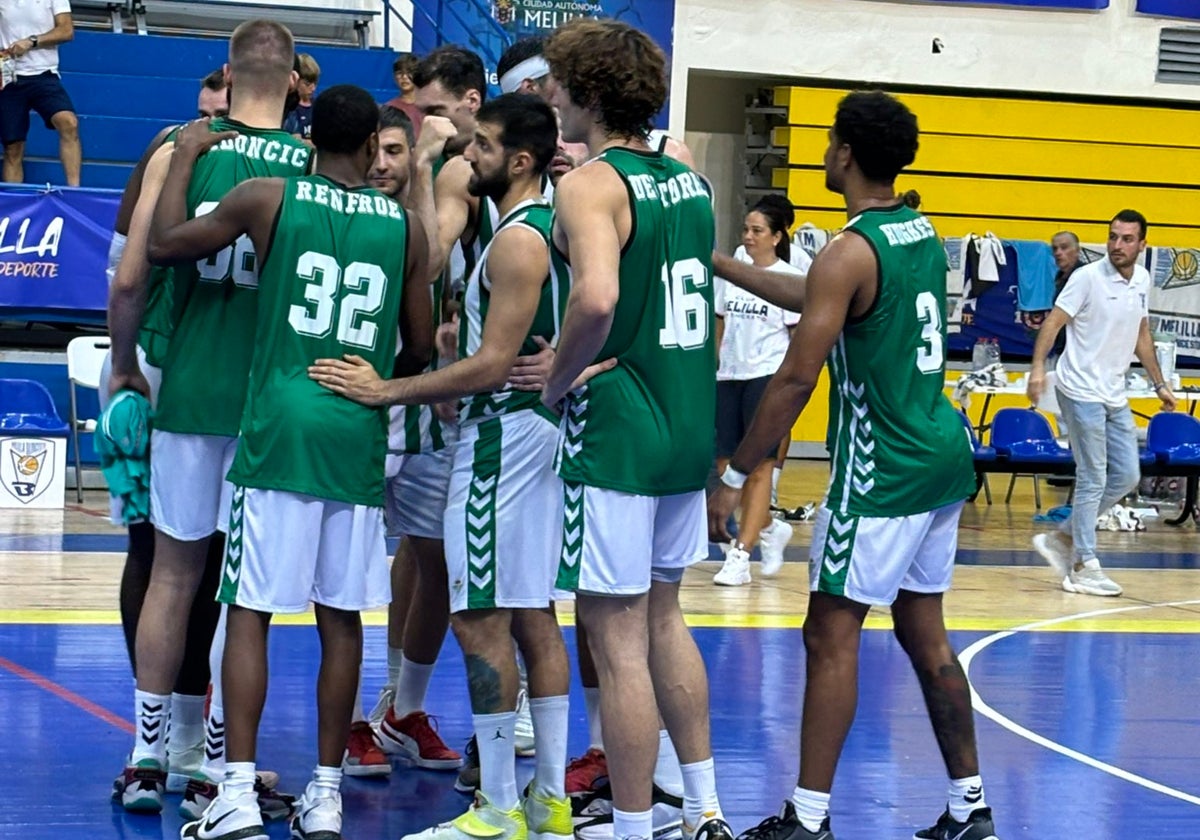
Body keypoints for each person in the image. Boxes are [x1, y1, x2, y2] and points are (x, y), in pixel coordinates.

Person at [707, 90, 1001, 840]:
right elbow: (817, 296)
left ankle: (807, 821)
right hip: (940, 456)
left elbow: (797, 378)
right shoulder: (915, 230)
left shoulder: (848, 249)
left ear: (844, 152)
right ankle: (970, 809)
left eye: (833, 140)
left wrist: (737, 473)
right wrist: (716, 263)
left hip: (884, 471)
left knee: (829, 631)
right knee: (924, 631)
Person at [148, 84, 432, 840]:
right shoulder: (408, 230)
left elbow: (165, 243)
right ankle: (327, 793)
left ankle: (235, 791)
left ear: (310, 138)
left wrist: (182, 159)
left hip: (278, 427)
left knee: (250, 609)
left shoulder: (267, 196)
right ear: (375, 146)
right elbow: (424, 348)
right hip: (356, 432)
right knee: (342, 621)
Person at [310, 92, 576, 840]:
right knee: (532, 614)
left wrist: (387, 387)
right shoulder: (547, 223)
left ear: (519, 160)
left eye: (484, 146)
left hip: (499, 439)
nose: (473, 155)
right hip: (538, 434)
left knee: (479, 618)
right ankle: (547, 799)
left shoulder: (521, 239)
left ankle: (497, 807)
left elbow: (492, 365)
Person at [106, 19, 310, 816]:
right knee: (239, 591)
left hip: (186, 379)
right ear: (296, 84)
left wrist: (125, 365)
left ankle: (148, 753)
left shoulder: (177, 146)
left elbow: (129, 281)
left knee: (170, 570)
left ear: (227, 74)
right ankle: (219, 762)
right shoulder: (313, 167)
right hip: (267, 397)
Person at [540, 19, 732, 840]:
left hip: (621, 426)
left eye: (555, 84)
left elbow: (597, 300)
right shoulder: (691, 182)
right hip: (687, 420)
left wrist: (555, 379)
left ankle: (628, 827)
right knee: (665, 618)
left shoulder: (589, 185)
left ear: (588, 94)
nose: (548, 96)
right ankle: (706, 808)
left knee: (613, 637)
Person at [99, 66, 230, 805]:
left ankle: (173, 738)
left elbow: (125, 272)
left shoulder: (177, 153)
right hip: (164, 364)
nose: (210, 127)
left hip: (169, 365)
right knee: (164, 555)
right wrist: (122, 361)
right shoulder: (168, 148)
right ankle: (171, 738)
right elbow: (124, 270)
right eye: (203, 112)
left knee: (184, 562)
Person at [341, 103, 464, 779]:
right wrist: (421, 161)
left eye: (398, 152)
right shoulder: (333, 210)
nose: (385, 164)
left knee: (435, 566)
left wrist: (423, 168)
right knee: (346, 582)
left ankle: (400, 711)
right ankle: (350, 721)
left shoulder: (436, 202)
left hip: (417, 416)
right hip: (350, 419)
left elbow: (433, 256)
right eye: (378, 152)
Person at [1029, 210, 1175, 598]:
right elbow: (1052, 323)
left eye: (1127, 239)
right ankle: (1082, 564)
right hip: (1078, 389)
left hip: (1113, 391)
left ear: (1142, 245)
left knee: (1126, 475)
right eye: (1113, 237)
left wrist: (1159, 383)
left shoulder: (1141, 280)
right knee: (1093, 474)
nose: (1118, 245)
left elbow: (1141, 332)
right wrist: (1037, 369)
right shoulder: (1086, 278)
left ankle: (1063, 537)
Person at [711, 200, 801, 586]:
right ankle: (768, 527)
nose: (748, 236)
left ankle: (741, 555)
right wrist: (714, 368)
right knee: (725, 467)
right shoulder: (732, 272)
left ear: (777, 237)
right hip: (730, 375)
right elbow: (720, 321)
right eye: (745, 229)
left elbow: (799, 340)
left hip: (767, 376)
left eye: (757, 230)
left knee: (760, 468)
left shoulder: (790, 278)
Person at [0, 0, 79, 185]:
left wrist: (32, 41)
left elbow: (66, 30)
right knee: (13, 147)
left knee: (69, 123)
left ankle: (75, 191)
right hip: (9, 76)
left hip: (44, 74)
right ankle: (14, 202)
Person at [283, 52, 318, 142]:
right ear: (296, 80)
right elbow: (296, 141)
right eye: (307, 84)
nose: (313, 88)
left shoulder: (319, 107)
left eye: (315, 83)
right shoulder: (289, 109)